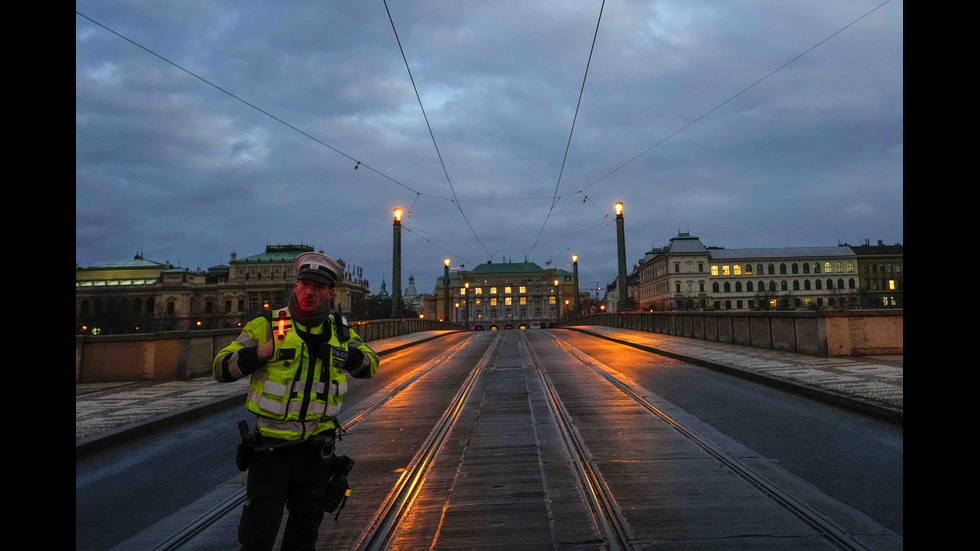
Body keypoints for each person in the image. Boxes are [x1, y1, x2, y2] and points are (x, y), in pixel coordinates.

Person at [213, 251, 379, 551]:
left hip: (316, 453)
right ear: (295, 286)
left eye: (317, 287)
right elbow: (221, 368)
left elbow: (370, 364)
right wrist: (260, 353)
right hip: (271, 450)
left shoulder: (339, 333)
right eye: (304, 284)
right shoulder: (266, 326)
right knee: (257, 537)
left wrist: (343, 355)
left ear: (330, 292)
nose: (309, 292)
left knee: (304, 538)